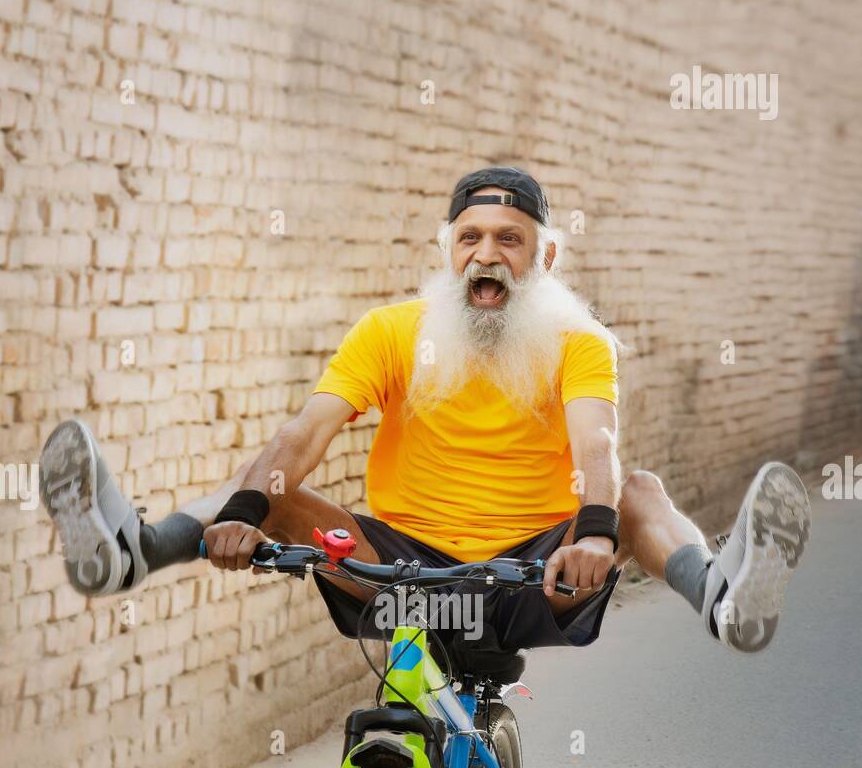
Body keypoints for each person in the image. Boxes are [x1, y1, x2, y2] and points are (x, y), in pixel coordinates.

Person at [40, 165, 810, 660]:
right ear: (447, 249)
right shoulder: (390, 332)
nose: (487, 254)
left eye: (511, 240)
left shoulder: (581, 341)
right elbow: (306, 432)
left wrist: (598, 534)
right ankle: (132, 550)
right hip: (394, 571)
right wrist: (247, 511)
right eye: (470, 237)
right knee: (270, 486)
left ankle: (723, 598)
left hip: (535, 573)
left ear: (543, 259)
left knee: (637, 490)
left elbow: (596, 447)